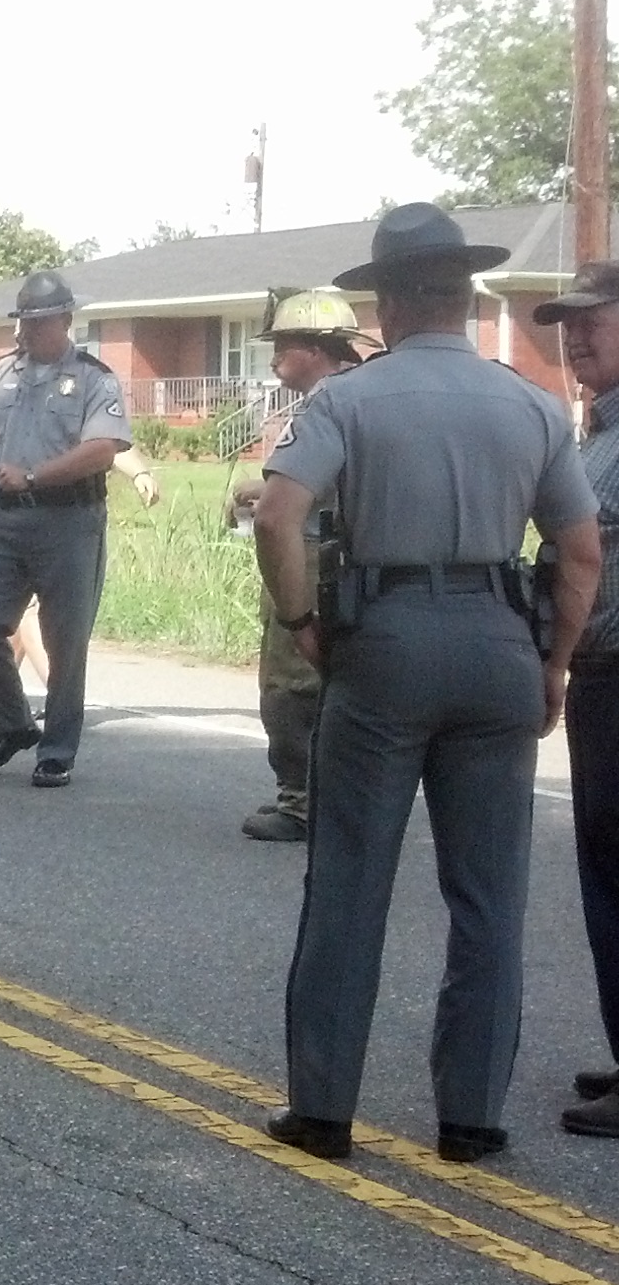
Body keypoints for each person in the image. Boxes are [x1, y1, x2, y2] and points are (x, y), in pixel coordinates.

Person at [255, 205, 599, 1164]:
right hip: (498, 644)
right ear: (462, 298)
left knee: (350, 884)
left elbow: (278, 516)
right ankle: (471, 1117)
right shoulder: (530, 404)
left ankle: (324, 1109)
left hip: (387, 643)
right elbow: (579, 553)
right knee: (489, 899)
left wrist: (301, 621)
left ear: (392, 302)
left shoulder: (348, 400)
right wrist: (553, 665)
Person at [0, 271, 131, 788]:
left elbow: (102, 450)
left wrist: (34, 475)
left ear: (65, 320)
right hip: (5, 517)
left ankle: (56, 751)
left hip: (70, 520)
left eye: (38, 322)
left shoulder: (94, 379)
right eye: (22, 322)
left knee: (65, 641)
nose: (26, 331)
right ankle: (13, 724)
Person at [233, 288, 371, 844]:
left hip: (311, 555)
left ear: (316, 349)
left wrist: (264, 494)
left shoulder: (324, 404)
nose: (273, 358)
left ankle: (300, 801)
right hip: (362, 560)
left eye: (283, 345)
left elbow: (296, 501)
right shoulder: (367, 394)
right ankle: (338, 798)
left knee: (290, 683)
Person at [534, 265, 619, 1138]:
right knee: (605, 872)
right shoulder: (599, 429)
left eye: (594, 320)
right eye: (568, 324)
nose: (575, 337)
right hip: (601, 677)